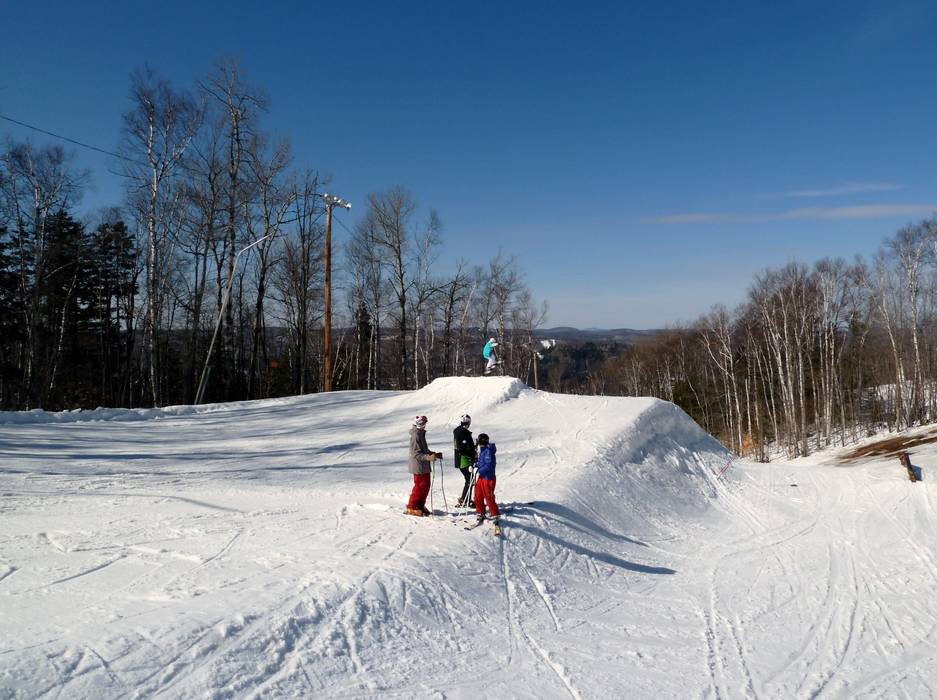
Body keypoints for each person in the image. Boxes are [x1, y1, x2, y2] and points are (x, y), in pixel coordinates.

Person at [406, 415, 442, 517]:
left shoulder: (421, 434)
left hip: (424, 466)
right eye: (421, 423)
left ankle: (420, 506)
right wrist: (428, 457)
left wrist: (433, 454)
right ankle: (412, 507)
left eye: (424, 423)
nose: (423, 425)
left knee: (426, 486)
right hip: (418, 466)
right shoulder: (416, 435)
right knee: (419, 487)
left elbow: (423, 450)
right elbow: (415, 454)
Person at [473, 432, 500, 529]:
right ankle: (480, 512)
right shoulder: (483, 450)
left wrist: (479, 470)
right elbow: (481, 462)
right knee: (478, 495)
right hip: (482, 477)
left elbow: (489, 466)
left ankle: (495, 513)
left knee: (489, 497)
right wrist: (475, 466)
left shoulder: (488, 451)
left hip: (488, 478)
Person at [453, 414, 477, 507]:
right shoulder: (463, 433)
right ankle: (465, 500)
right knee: (470, 480)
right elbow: (462, 449)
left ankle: (465, 499)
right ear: (468, 423)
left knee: (469, 479)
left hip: (462, 460)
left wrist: (472, 448)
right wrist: (472, 455)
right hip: (464, 460)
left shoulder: (459, 431)